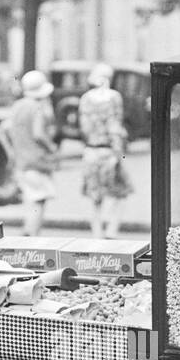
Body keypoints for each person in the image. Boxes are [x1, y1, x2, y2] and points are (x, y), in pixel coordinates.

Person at [77, 63, 132, 238]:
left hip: (91, 151)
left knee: (95, 196)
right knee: (121, 191)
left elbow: (84, 128)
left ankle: (97, 232)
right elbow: (115, 126)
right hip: (109, 152)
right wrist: (119, 152)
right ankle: (112, 230)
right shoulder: (114, 97)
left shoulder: (85, 98)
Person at [6, 69, 57, 235]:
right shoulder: (37, 107)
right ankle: (31, 234)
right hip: (38, 160)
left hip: (21, 161)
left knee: (31, 199)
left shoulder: (17, 106)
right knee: (39, 200)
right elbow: (39, 133)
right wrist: (51, 146)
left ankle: (28, 231)